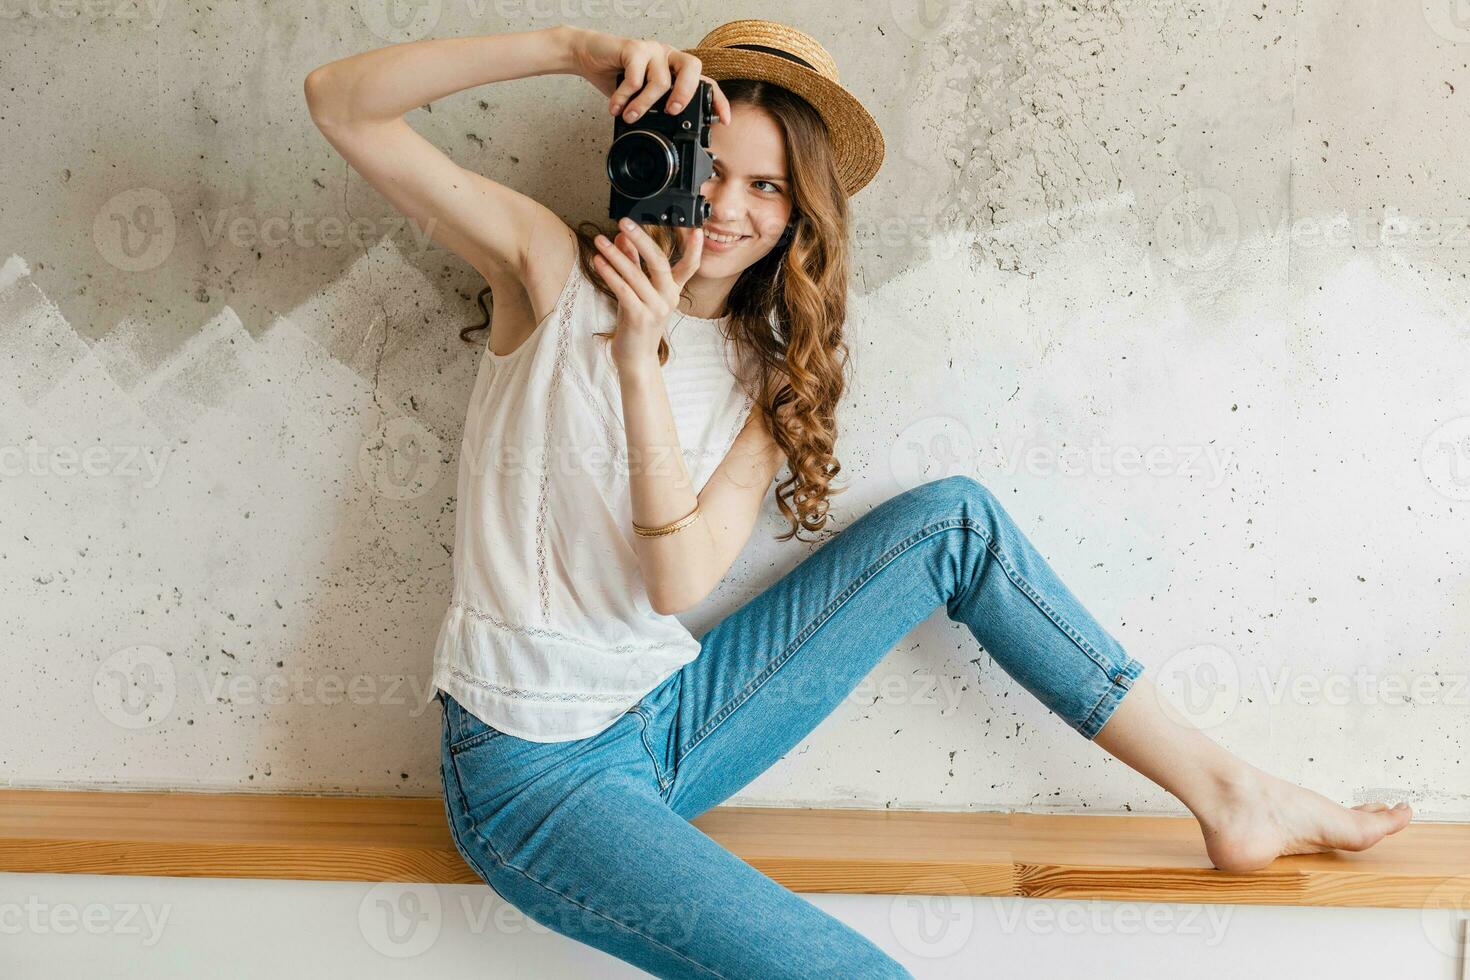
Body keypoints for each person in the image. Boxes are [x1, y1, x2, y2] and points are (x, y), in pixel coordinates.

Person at [303, 19, 1413, 978]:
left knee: (955, 520)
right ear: (663, 154)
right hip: (527, 770)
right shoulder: (548, 273)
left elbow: (674, 585)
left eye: (767, 186)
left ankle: (1229, 791)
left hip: (662, 724)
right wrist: (567, 50)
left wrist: (656, 365)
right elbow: (340, 104)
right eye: (714, 166)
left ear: (798, 214)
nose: (727, 210)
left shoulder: (763, 373)